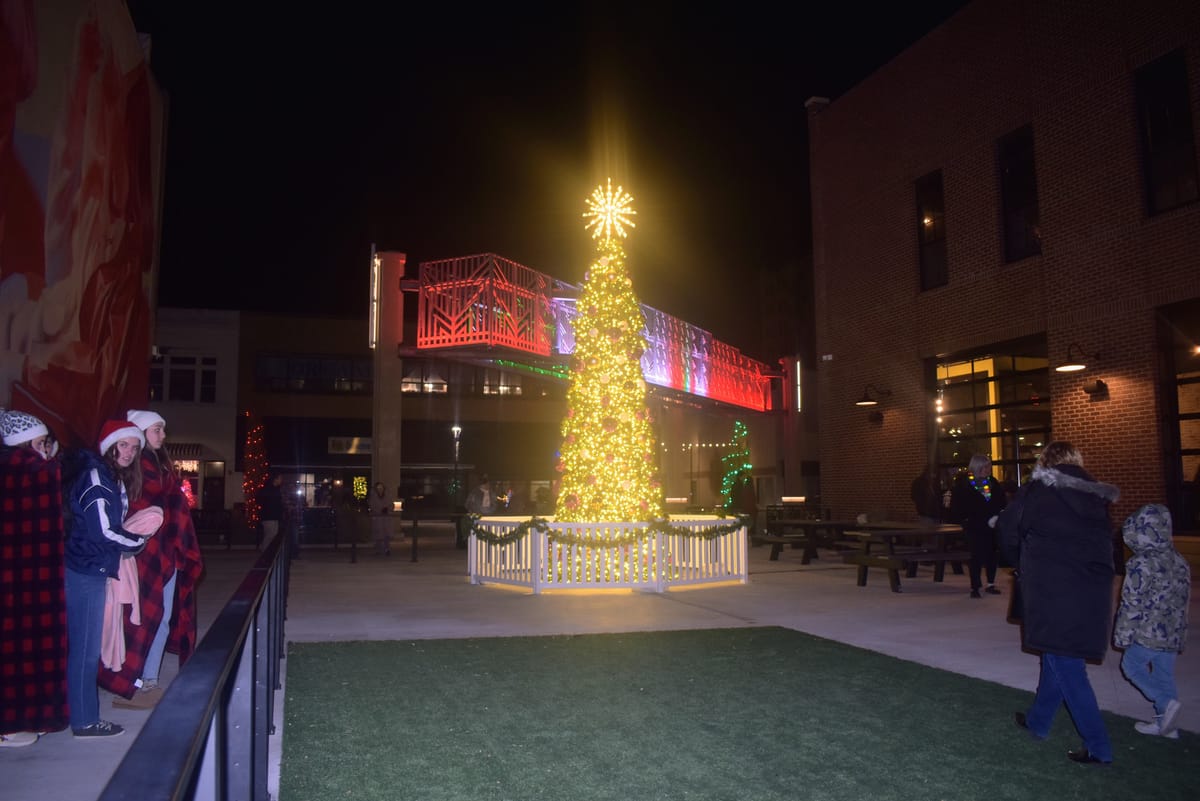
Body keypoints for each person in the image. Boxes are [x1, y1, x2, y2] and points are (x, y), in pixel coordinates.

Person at [998, 441, 1119, 765]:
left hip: (1052, 588)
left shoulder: (1037, 491)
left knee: (1068, 666)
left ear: (1045, 463)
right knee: (1056, 654)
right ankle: (1039, 721)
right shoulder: (1096, 497)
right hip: (1091, 589)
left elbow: (1009, 532)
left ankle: (1099, 746)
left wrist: (1023, 564)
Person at [99, 410, 205, 710]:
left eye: (162, 429)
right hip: (145, 555)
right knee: (144, 616)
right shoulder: (137, 470)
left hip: (163, 552)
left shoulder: (158, 467)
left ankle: (148, 680)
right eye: (157, 429)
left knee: (158, 615)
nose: (162, 435)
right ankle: (136, 681)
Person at [62, 419, 152, 738]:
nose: (129, 452)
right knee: (86, 649)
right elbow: (104, 530)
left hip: (87, 567)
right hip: (85, 570)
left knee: (83, 647)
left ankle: (78, 713)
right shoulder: (98, 478)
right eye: (123, 445)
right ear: (109, 445)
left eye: (134, 446)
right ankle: (85, 720)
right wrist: (137, 542)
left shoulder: (105, 475)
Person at [0, 409, 67, 747]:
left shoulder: (19, 469)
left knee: (20, 652)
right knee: (19, 653)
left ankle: (21, 719)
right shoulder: (27, 470)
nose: (46, 449)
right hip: (26, 578)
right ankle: (12, 723)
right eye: (41, 443)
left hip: (22, 578)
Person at [1113, 503, 1190, 739]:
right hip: (1172, 632)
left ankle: (1164, 704)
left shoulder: (1141, 564)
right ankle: (1167, 725)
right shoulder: (1178, 560)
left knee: (1131, 666)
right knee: (1163, 675)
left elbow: (1132, 602)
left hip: (1148, 632)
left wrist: (1123, 635)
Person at [949, 454, 1007, 598]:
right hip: (975, 525)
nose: (989, 469)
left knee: (991, 555)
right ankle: (975, 586)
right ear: (978, 467)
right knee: (976, 556)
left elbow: (1001, 501)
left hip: (991, 524)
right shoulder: (965, 485)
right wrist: (966, 520)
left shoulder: (992, 483)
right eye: (986, 466)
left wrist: (999, 514)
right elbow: (958, 506)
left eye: (989, 466)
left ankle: (991, 583)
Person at [256, 474, 284, 550]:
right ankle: (264, 550)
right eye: (280, 478)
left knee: (273, 535)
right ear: (275, 479)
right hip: (268, 515)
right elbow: (260, 500)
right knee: (270, 534)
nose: (281, 480)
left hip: (274, 515)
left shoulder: (276, 489)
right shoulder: (268, 489)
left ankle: (267, 551)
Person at [369, 481, 393, 556]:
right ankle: (378, 550)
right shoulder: (373, 497)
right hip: (378, 518)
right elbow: (372, 506)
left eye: (381, 487)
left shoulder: (387, 496)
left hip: (386, 518)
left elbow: (391, 505)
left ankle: (387, 549)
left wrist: (387, 509)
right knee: (378, 535)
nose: (380, 489)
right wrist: (379, 510)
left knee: (386, 535)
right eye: (378, 488)